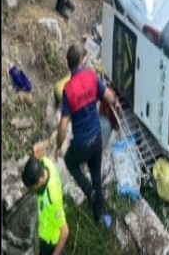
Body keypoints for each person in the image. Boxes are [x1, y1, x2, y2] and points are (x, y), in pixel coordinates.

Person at [55, 44, 122, 225]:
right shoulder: (92, 77)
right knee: (96, 173)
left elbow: (62, 127)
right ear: (81, 61)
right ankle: (98, 216)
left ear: (69, 65)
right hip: (97, 139)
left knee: (69, 161)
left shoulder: (68, 90)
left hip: (82, 144)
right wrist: (116, 103)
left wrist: (58, 146)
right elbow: (109, 96)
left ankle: (87, 189)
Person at [21, 154, 70, 255]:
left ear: (39, 181)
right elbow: (38, 153)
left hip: (52, 243)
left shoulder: (52, 201)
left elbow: (65, 231)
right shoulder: (46, 163)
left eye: (31, 188)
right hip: (45, 233)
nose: (30, 191)